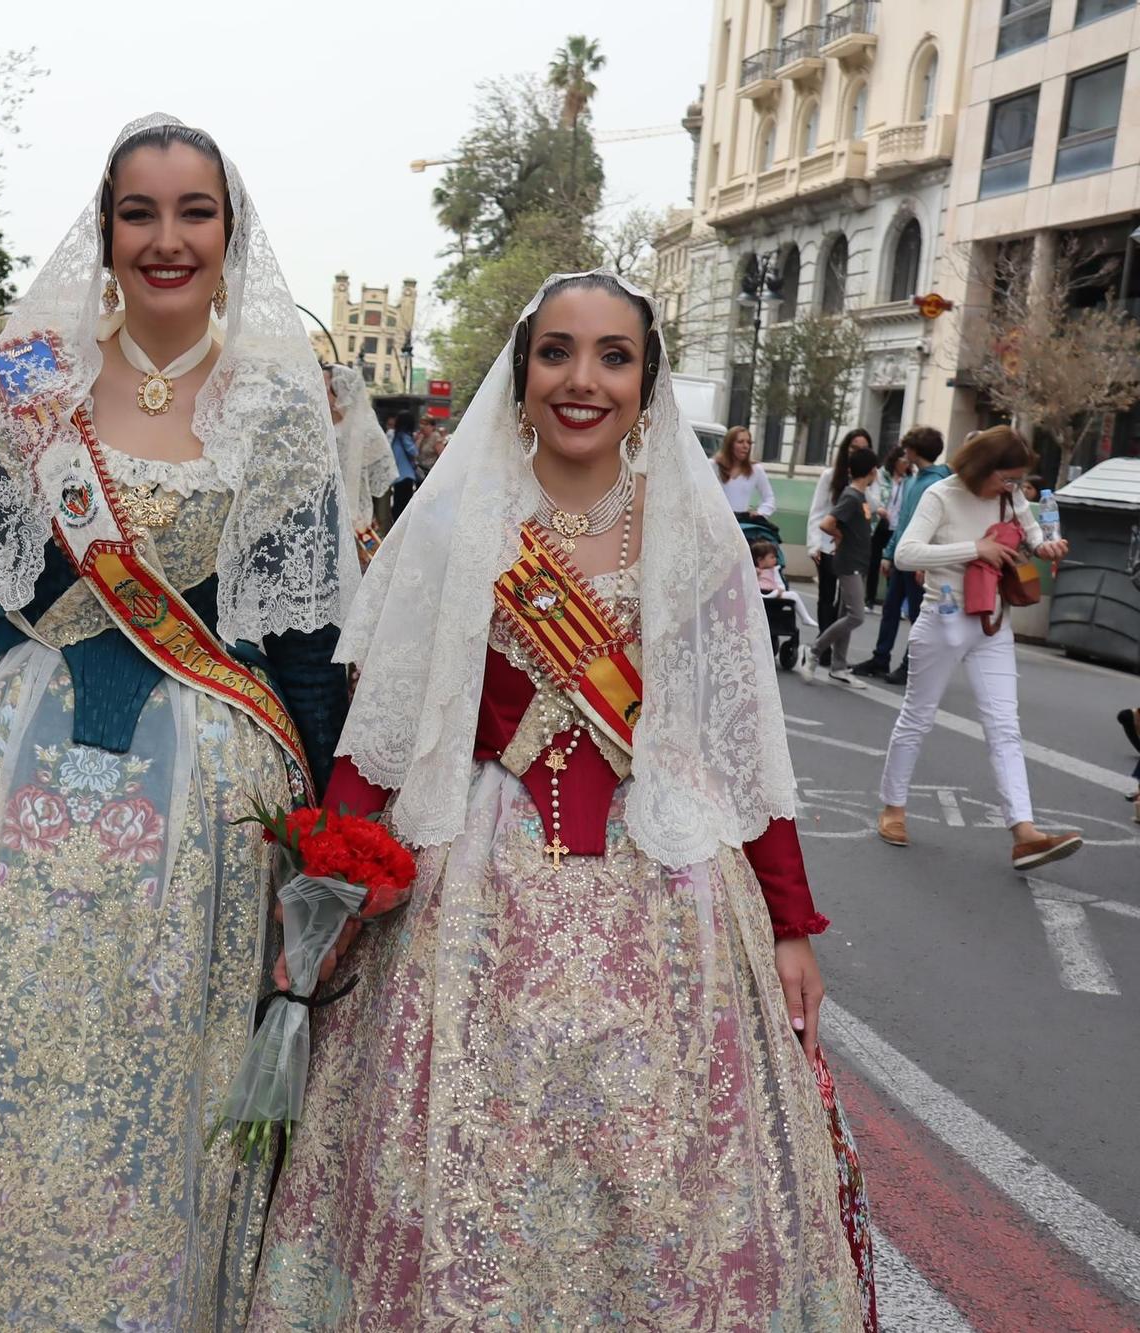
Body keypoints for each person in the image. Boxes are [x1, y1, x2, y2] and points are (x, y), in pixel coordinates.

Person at [247, 271, 867, 1329]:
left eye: (612, 357)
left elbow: (737, 751)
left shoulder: (694, 537)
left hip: (664, 895)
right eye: (556, 353)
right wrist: (326, 892)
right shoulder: (454, 528)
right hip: (474, 895)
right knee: (469, 1161)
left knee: (655, 1169)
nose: (582, 380)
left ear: (646, 381)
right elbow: (385, 733)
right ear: (521, 372)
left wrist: (790, 924)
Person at [0, 114, 356, 1328]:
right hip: (1, 782)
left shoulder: (279, 412)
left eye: (193, 213)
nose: (165, 240)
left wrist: (332, 836)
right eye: (139, 213)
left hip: (206, 819)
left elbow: (301, 649)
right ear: (104, 229)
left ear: (230, 235)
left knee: (160, 1088)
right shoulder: (25, 383)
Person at [876, 425, 1082, 871]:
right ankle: (893, 806)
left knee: (1005, 725)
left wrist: (1049, 547)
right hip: (943, 619)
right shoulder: (941, 495)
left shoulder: (1011, 497)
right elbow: (908, 553)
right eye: (1005, 478)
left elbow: (1033, 537)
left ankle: (1024, 831)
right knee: (918, 716)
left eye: (1015, 480)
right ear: (982, 467)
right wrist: (975, 549)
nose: (1011, 488)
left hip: (993, 621)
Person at [856, 426, 948, 680]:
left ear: (915, 450)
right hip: (904, 556)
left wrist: (925, 563)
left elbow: (936, 527)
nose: (904, 452)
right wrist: (889, 553)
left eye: (908, 447)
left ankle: (911, 665)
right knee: (891, 609)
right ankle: (881, 657)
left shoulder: (937, 483)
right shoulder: (912, 481)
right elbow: (903, 521)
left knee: (918, 615)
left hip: (919, 558)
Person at [806, 444, 879, 685]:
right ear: (872, 471)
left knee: (845, 613)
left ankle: (838, 665)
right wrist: (839, 536)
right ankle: (815, 649)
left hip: (858, 562)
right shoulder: (851, 496)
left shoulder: (859, 496)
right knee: (856, 615)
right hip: (849, 564)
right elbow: (827, 523)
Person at [326, 362, 397, 563]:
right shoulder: (320, 427)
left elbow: (382, 487)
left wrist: (377, 526)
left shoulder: (368, 432)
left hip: (357, 522)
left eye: (325, 386)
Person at [866, 442, 911, 608]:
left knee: (894, 563)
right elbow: (872, 495)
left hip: (898, 526)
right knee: (874, 561)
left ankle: (892, 601)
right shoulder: (881, 475)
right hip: (880, 524)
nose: (906, 465)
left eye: (908, 462)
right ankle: (869, 598)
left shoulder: (909, 480)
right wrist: (879, 508)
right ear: (895, 460)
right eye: (903, 461)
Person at [713, 422, 777, 518]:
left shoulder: (756, 469)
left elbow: (769, 499)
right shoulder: (713, 465)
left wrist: (760, 513)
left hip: (741, 525)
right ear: (729, 445)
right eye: (740, 442)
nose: (746, 446)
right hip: (716, 521)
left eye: (748, 442)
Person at [754, 535, 818, 631]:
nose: (775, 559)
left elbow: (780, 584)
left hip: (774, 593)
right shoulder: (754, 570)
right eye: (772, 557)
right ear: (760, 560)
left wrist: (780, 590)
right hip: (759, 593)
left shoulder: (774, 570)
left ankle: (805, 617)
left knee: (793, 594)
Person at [387, 407, 420, 519]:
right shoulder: (404, 436)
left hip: (398, 476)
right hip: (406, 476)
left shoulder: (396, 437)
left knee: (398, 505)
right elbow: (414, 452)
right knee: (403, 507)